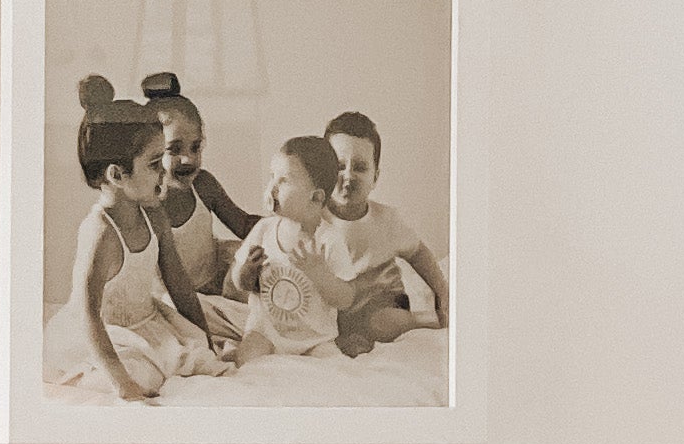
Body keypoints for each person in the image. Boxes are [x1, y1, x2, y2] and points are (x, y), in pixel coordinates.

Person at [42, 81, 234, 404]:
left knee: (198, 355)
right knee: (140, 376)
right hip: (107, 335)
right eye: (154, 164)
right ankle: (92, 375)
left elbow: (179, 284)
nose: (164, 173)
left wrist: (205, 336)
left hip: (147, 322)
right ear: (117, 175)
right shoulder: (101, 234)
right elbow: (88, 315)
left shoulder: (153, 216)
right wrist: (122, 384)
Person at [318, 109, 451, 346]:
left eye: (359, 167)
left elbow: (418, 253)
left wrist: (442, 291)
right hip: (336, 304)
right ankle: (350, 339)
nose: (348, 176)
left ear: (375, 177)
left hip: (381, 300)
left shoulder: (386, 220)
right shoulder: (314, 219)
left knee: (383, 323)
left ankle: (424, 320)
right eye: (339, 165)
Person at [223, 138, 353, 358]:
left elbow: (347, 299)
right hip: (266, 333)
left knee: (334, 369)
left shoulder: (329, 240)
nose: (271, 188)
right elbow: (239, 283)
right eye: (272, 177)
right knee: (248, 361)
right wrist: (246, 271)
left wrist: (321, 275)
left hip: (314, 340)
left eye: (283, 181)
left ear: (316, 197)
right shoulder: (264, 230)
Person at [138, 70, 256, 301]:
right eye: (174, 149)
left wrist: (278, 227)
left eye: (195, 147)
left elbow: (242, 223)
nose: (188, 159)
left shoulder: (204, 185)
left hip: (218, 276)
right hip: (177, 297)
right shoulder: (146, 205)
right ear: (150, 152)